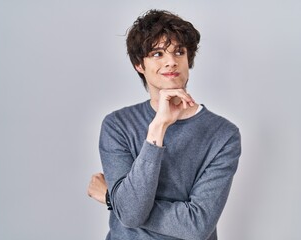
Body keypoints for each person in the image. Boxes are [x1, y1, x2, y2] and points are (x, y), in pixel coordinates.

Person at [87, 9, 241, 240]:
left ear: (189, 60)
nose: (171, 61)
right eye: (157, 54)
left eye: (179, 52)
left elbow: (196, 226)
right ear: (140, 65)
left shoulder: (223, 134)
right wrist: (158, 128)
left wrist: (113, 199)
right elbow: (130, 213)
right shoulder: (117, 125)